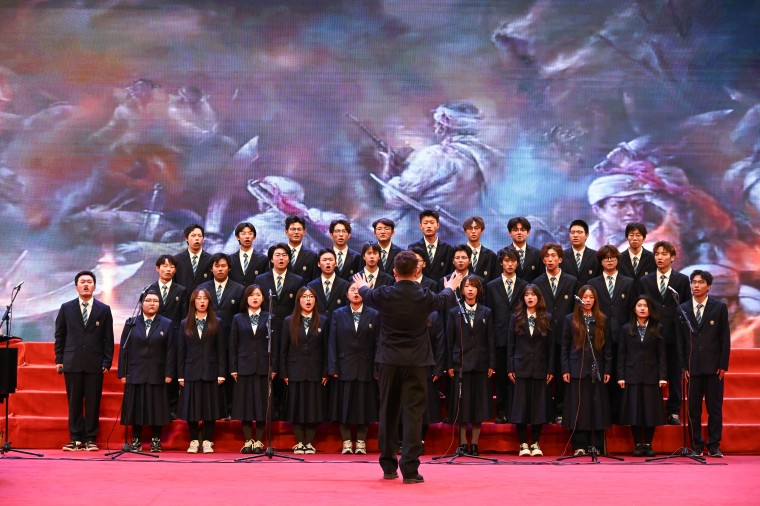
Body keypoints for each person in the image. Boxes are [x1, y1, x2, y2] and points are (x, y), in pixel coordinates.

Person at [353, 251, 464, 484]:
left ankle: (388, 467)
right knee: (413, 415)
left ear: (394, 272)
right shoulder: (424, 295)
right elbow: (443, 299)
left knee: (388, 412)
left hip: (389, 362)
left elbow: (367, 294)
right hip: (416, 363)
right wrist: (451, 287)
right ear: (416, 272)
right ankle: (411, 470)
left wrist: (362, 285)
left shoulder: (384, 293)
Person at [54, 271, 115, 451]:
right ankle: (75, 438)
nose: (86, 284)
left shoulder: (104, 309)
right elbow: (60, 335)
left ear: (94, 286)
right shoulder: (66, 308)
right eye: (82, 282)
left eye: (89, 282)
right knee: (74, 402)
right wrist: (59, 359)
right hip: (72, 361)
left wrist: (107, 361)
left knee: (93, 402)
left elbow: (108, 338)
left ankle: (90, 438)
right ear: (76, 287)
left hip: (95, 363)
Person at [679, 270, 731, 458]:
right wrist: (683, 366)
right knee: (693, 410)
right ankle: (696, 445)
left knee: (714, 409)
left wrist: (723, 364)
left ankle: (714, 445)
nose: (696, 285)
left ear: (708, 286)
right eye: (693, 282)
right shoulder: (683, 308)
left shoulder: (719, 307)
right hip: (692, 367)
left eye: (700, 282)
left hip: (714, 367)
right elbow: (680, 341)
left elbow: (725, 337)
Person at [639, 241, 690, 424]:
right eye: (657, 254)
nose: (660, 257)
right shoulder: (645, 281)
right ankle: (653, 409)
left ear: (672, 257)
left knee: (675, 372)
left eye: (664, 254)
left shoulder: (682, 280)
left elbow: (686, 306)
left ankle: (674, 411)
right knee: (652, 372)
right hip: (652, 333)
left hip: (674, 334)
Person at [118, 289, 174, 453]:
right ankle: (136, 439)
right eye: (148, 300)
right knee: (136, 406)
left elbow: (171, 350)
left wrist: (169, 373)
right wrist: (122, 373)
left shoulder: (166, 324)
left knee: (157, 406)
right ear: (142, 303)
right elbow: (124, 350)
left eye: (155, 301)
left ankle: (156, 439)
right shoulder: (131, 323)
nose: (152, 304)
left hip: (157, 372)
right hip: (135, 371)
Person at [328, 283, 380, 455]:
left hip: (366, 368)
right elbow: (332, 342)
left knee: (364, 407)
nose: (356, 293)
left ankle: (361, 442)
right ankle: (346, 442)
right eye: (352, 290)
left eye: (359, 290)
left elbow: (378, 344)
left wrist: (376, 369)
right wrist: (333, 366)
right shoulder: (338, 314)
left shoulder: (374, 314)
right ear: (346, 294)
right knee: (344, 407)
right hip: (344, 367)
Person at [447, 275, 495, 456]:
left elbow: (490, 340)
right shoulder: (454, 312)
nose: (470, 289)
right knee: (462, 406)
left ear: (478, 290)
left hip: (481, 364)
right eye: (467, 286)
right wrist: (449, 364)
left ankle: (474, 444)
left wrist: (491, 363)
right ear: (462, 290)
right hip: (460, 364)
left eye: (473, 286)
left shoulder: (486, 312)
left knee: (478, 406)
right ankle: (462, 443)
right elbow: (449, 340)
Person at [561, 285, 613, 455]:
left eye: (591, 297)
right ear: (579, 299)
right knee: (579, 407)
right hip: (577, 369)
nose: (588, 300)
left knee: (596, 407)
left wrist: (607, 369)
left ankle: (595, 444)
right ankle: (579, 445)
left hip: (596, 370)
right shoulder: (570, 319)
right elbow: (565, 347)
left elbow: (607, 348)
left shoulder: (602, 319)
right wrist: (565, 368)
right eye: (585, 297)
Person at [278, 287, 329, 454]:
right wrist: (284, 371)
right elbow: (283, 349)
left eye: (311, 296)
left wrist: (326, 371)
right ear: (298, 300)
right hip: (295, 370)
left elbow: (327, 349)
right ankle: (300, 442)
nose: (308, 300)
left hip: (315, 370)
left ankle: (309, 443)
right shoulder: (289, 321)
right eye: (305, 297)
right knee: (297, 407)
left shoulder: (323, 320)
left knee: (313, 407)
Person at [177, 288, 226, 454]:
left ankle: (206, 440)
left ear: (209, 302)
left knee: (209, 408)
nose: (202, 301)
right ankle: (193, 440)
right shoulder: (185, 323)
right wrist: (180, 375)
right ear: (193, 302)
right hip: (190, 371)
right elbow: (181, 351)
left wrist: (221, 372)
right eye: (199, 298)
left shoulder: (217, 322)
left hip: (211, 371)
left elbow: (221, 350)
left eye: (205, 298)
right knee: (191, 408)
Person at [589, 244, 635, 420]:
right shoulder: (592, 284)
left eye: (612, 258)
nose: (609, 261)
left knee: (619, 374)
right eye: (605, 258)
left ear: (617, 260)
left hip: (622, 336)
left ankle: (619, 413)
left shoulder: (628, 282)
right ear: (600, 261)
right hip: (599, 335)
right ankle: (602, 413)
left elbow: (632, 309)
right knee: (602, 375)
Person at [617, 295, 667, 457]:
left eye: (645, 306)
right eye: (639, 305)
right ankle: (638, 444)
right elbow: (622, 354)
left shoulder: (657, 328)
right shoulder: (626, 328)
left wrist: (662, 376)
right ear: (634, 309)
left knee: (650, 411)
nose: (642, 308)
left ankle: (648, 444)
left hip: (652, 375)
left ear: (650, 309)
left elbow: (662, 355)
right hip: (632, 375)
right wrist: (621, 376)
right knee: (635, 411)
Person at [507, 284, 554, 457]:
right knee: (521, 407)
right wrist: (510, 367)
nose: (530, 297)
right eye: (527, 294)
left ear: (539, 298)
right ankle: (523, 443)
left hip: (540, 367)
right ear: (523, 298)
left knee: (538, 407)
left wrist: (550, 369)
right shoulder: (515, 317)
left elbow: (551, 347)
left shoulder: (547, 318)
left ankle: (535, 442)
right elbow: (510, 345)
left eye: (533, 294)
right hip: (521, 367)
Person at [533, 243, 577, 421]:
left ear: (560, 259)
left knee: (561, 374)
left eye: (553, 256)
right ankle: (543, 412)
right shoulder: (537, 283)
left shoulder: (571, 281)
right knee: (543, 374)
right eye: (547, 256)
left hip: (565, 335)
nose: (550, 259)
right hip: (542, 335)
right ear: (543, 260)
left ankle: (560, 411)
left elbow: (575, 310)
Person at [198, 252, 245, 415]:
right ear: (211, 269)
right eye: (217, 266)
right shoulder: (202, 289)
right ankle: (211, 410)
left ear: (229, 268)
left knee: (230, 375)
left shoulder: (239, 289)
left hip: (230, 340)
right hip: (207, 341)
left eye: (223, 266)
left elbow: (242, 316)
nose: (220, 269)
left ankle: (230, 409)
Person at [230, 285, 273, 455]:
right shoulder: (238, 318)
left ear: (263, 298)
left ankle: (259, 441)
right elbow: (233, 344)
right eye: (251, 295)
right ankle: (248, 440)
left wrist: (273, 367)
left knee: (261, 405)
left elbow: (275, 344)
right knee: (246, 405)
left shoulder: (269, 317)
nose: (255, 298)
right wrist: (233, 368)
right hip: (244, 366)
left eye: (258, 295)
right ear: (246, 298)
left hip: (263, 366)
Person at [486, 247, 527, 424]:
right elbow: (489, 314)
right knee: (502, 377)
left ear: (517, 263)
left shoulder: (525, 286)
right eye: (506, 261)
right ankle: (502, 411)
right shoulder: (491, 286)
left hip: (520, 338)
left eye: (513, 261)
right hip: (499, 338)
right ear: (501, 263)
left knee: (518, 377)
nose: (510, 264)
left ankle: (516, 411)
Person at [148, 255, 189, 418]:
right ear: (157, 269)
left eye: (172, 267)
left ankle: (172, 408)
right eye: (165, 266)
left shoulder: (181, 291)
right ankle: (155, 406)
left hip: (175, 337)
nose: (168, 269)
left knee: (172, 371)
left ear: (175, 270)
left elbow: (185, 317)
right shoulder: (149, 290)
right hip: (153, 338)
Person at [587, 174, 652, 249]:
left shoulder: (654, 236)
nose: (632, 212)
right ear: (597, 210)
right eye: (619, 205)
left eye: (638, 203)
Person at [408, 210, 454, 282]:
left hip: (441, 288)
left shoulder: (448, 249)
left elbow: (450, 272)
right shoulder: (412, 248)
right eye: (425, 223)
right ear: (420, 226)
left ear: (438, 225)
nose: (429, 226)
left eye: (432, 223)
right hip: (419, 287)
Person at [307, 249, 350, 323]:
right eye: (324, 260)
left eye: (330, 260)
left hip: (338, 324)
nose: (328, 262)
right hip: (317, 325)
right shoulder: (311, 286)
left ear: (336, 263)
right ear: (318, 264)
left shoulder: (345, 285)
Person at [227, 222, 269, 288]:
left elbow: (265, 282)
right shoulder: (230, 259)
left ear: (254, 237)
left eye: (250, 233)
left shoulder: (263, 259)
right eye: (243, 234)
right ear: (237, 237)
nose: (247, 236)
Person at [173, 224, 213, 290]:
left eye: (200, 236)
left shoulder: (211, 260)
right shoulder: (176, 259)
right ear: (186, 238)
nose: (197, 238)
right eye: (193, 235)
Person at [561, 219, 600, 286]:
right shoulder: (562, 256)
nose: (575, 235)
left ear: (587, 235)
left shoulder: (596, 256)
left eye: (579, 232)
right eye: (572, 232)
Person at [618, 223, 656, 287]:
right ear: (627, 238)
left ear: (644, 237)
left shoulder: (651, 258)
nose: (634, 238)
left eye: (638, 235)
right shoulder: (619, 258)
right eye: (631, 235)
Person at [507, 217, 542, 282]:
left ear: (528, 233)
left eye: (522, 230)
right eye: (515, 230)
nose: (519, 233)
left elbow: (541, 278)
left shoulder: (537, 254)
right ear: (510, 233)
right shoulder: (503, 254)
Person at [285, 215, 318, 283]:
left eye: (299, 229)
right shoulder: (279, 254)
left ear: (304, 232)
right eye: (293, 229)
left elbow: (314, 281)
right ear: (286, 232)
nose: (296, 232)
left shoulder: (312, 256)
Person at [463, 216, 497, 282]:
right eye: (470, 228)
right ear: (465, 232)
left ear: (482, 231)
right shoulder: (458, 254)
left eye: (476, 228)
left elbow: (494, 280)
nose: (473, 231)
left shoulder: (491, 255)